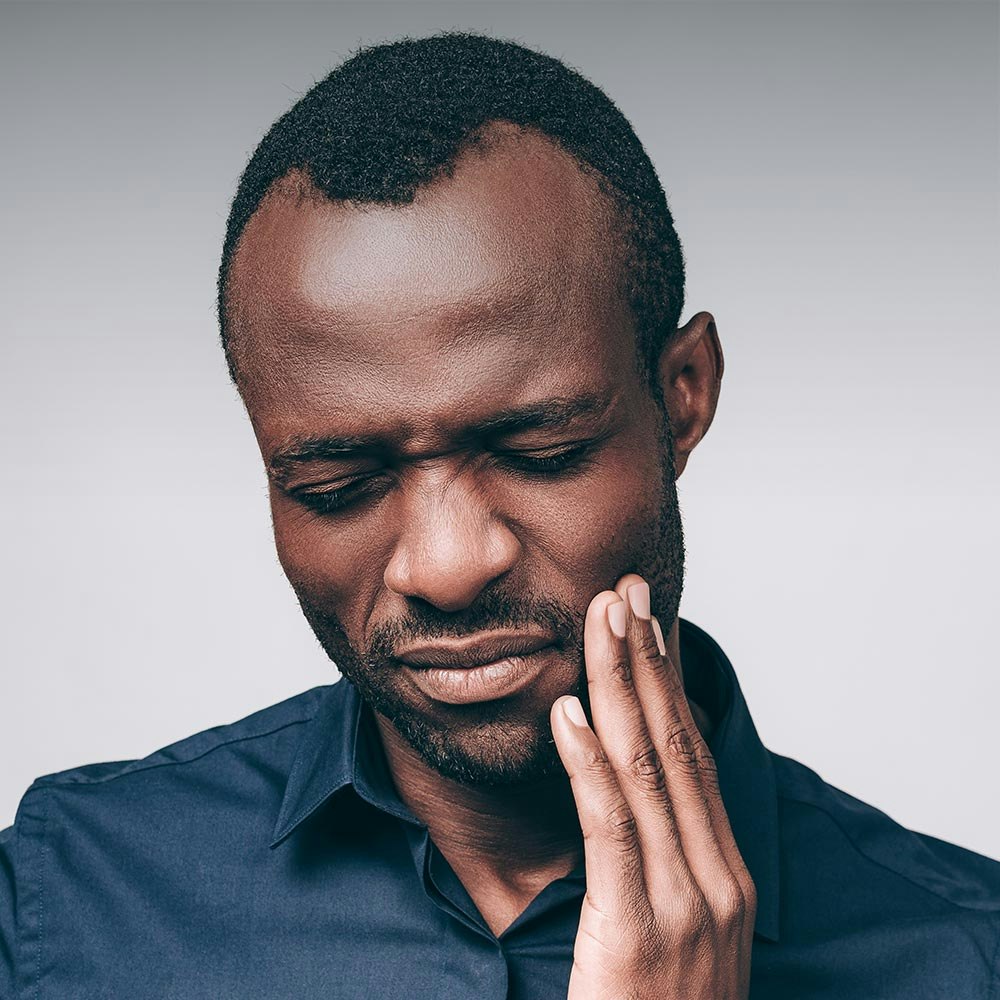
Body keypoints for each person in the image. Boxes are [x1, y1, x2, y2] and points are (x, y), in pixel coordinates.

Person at [1, 31, 997, 999]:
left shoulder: (961, 957)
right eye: (335, 483)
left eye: (539, 454)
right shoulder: (68, 900)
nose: (445, 565)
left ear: (683, 393)